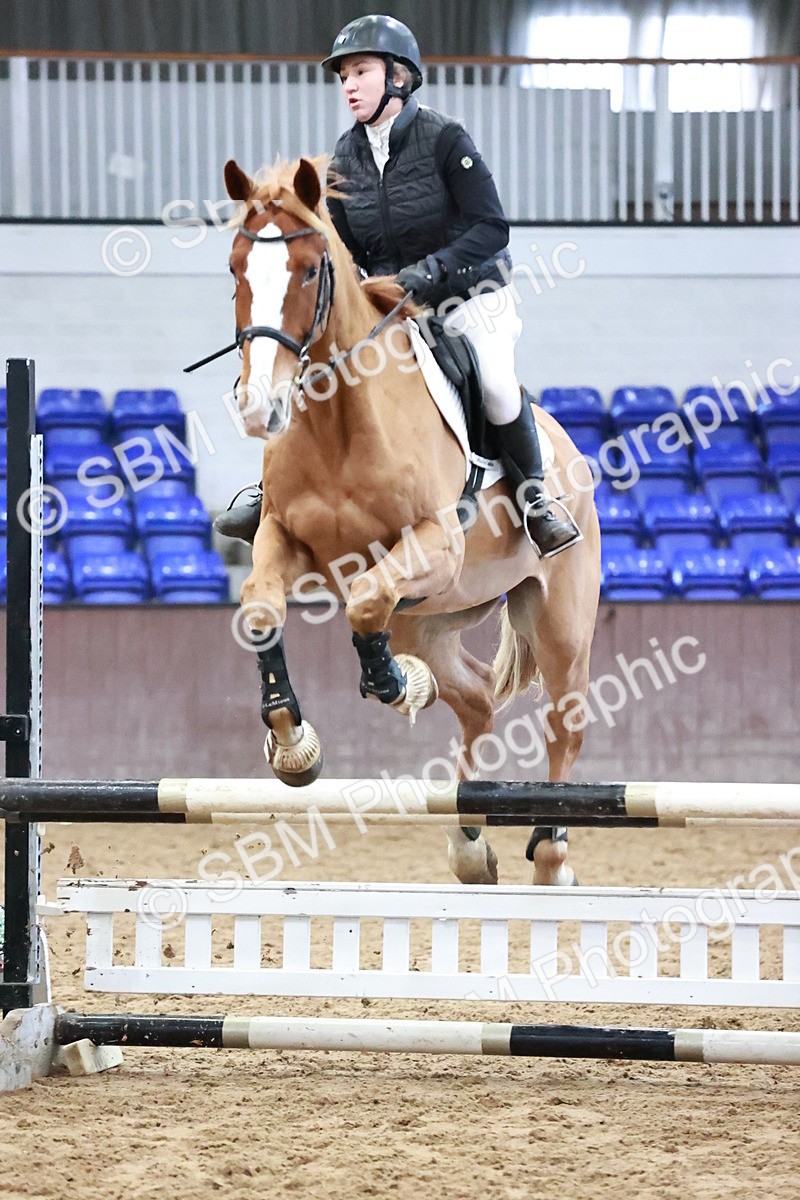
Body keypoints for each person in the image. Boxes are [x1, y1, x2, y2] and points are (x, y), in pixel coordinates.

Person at [216, 14, 580, 558]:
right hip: (390, 304)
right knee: (315, 371)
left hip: (467, 294)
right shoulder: (346, 157)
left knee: (499, 383)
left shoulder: (445, 139)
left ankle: (534, 501)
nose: (349, 85)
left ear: (399, 78)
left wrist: (432, 271)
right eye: (343, 76)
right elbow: (339, 247)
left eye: (361, 71)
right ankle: (271, 490)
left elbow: (491, 227)